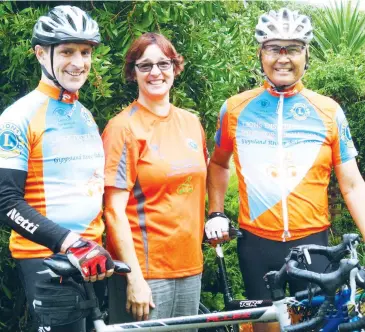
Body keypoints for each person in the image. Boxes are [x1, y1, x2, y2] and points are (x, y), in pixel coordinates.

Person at [205, 7, 365, 332]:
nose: (283, 58)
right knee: (266, 327)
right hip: (257, 246)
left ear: (306, 54)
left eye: (292, 48)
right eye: (273, 47)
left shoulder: (328, 111)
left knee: (310, 326)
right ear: (260, 53)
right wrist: (216, 212)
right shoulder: (234, 109)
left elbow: (352, 185)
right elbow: (219, 164)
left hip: (312, 246)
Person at [0, 5, 114, 332]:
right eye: (66, 51)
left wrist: (90, 245)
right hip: (48, 258)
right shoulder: (18, 117)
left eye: (84, 52)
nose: (78, 62)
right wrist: (70, 243)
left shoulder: (84, 114)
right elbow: (6, 201)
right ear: (40, 53)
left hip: (93, 257)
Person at [102, 32, 208, 330]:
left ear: (176, 67)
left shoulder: (191, 123)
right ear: (132, 73)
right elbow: (113, 210)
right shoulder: (123, 128)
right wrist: (134, 278)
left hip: (190, 267)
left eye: (163, 63)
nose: (156, 73)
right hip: (146, 273)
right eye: (145, 65)